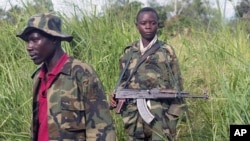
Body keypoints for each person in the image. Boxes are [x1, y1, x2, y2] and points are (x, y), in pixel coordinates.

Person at [16, 13, 116, 141]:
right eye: (28, 41)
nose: (29, 47)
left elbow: (101, 127)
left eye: (35, 40)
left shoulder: (80, 73)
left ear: (54, 39)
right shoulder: (38, 77)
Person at [110, 7, 187, 141]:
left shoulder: (166, 52)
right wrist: (115, 97)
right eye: (143, 23)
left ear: (158, 24)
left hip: (161, 121)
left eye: (152, 23)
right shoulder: (129, 53)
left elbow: (178, 90)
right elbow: (123, 83)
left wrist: (170, 121)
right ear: (137, 25)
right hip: (133, 121)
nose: (148, 27)